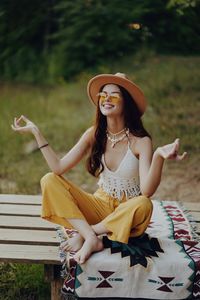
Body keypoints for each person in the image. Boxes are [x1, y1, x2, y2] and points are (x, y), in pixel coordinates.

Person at [11, 72, 187, 264]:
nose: (106, 99)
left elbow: (147, 191)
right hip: (100, 204)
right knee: (49, 179)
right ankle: (93, 238)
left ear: (126, 103)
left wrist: (159, 155)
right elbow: (58, 167)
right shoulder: (93, 134)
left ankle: (88, 233)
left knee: (145, 204)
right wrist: (37, 133)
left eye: (114, 95)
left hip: (128, 212)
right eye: (103, 95)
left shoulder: (141, 141)